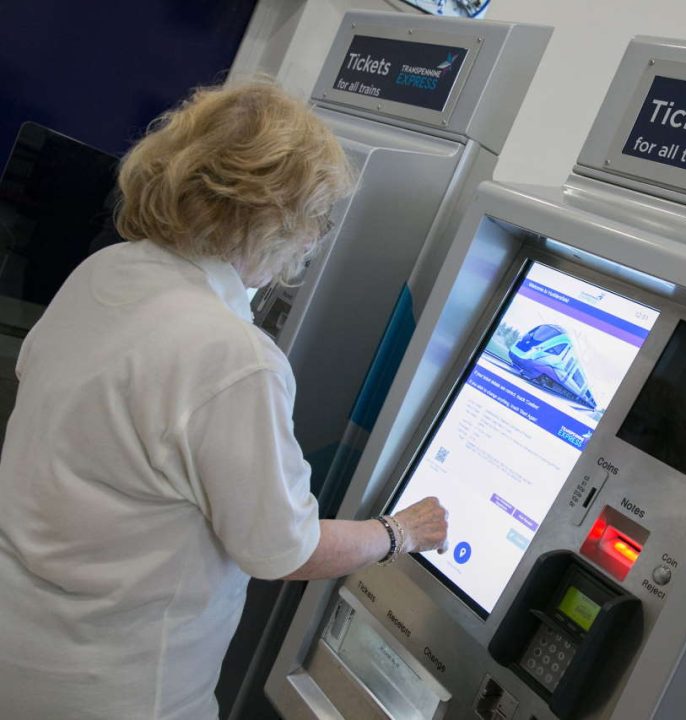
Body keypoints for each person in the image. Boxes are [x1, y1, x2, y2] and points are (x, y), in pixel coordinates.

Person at [0, 81, 449, 719]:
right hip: (121, 691)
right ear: (273, 216)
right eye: (315, 218)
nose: (316, 239)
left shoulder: (102, 274)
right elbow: (284, 549)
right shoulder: (234, 358)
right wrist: (398, 533)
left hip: (22, 648)